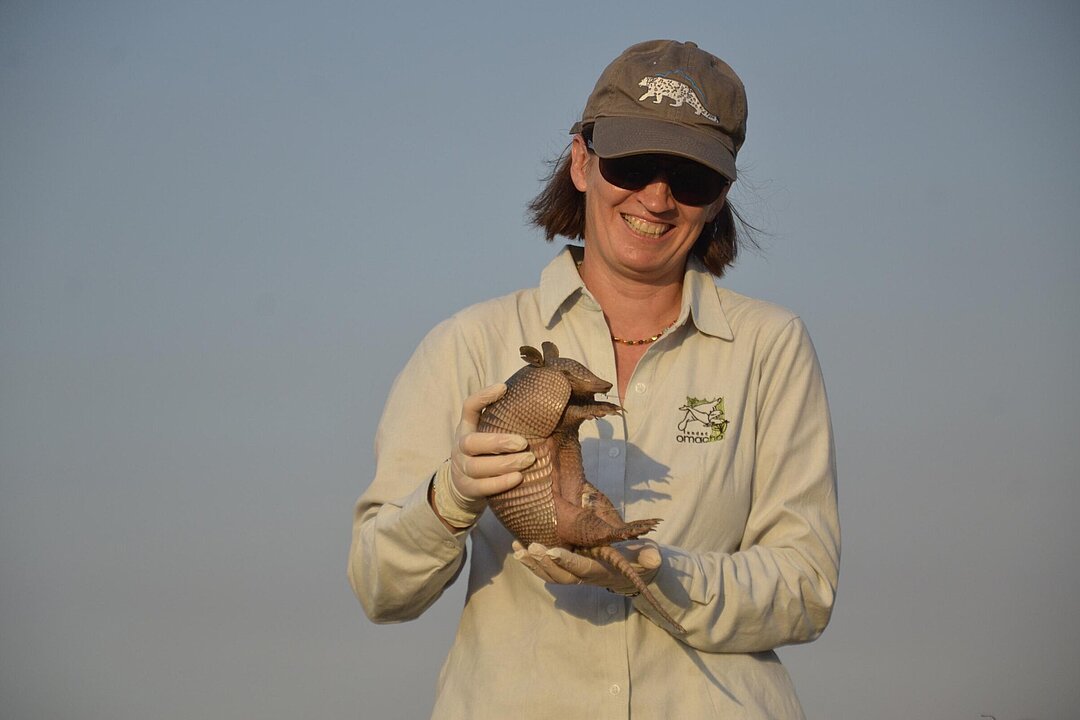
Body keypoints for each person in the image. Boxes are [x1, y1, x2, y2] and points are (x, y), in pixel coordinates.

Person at [348, 39, 839, 719]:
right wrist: (450, 497)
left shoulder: (768, 347)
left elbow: (804, 584)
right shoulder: (470, 342)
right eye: (633, 164)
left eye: (691, 178)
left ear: (721, 194)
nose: (657, 198)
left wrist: (654, 572)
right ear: (582, 161)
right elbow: (380, 586)